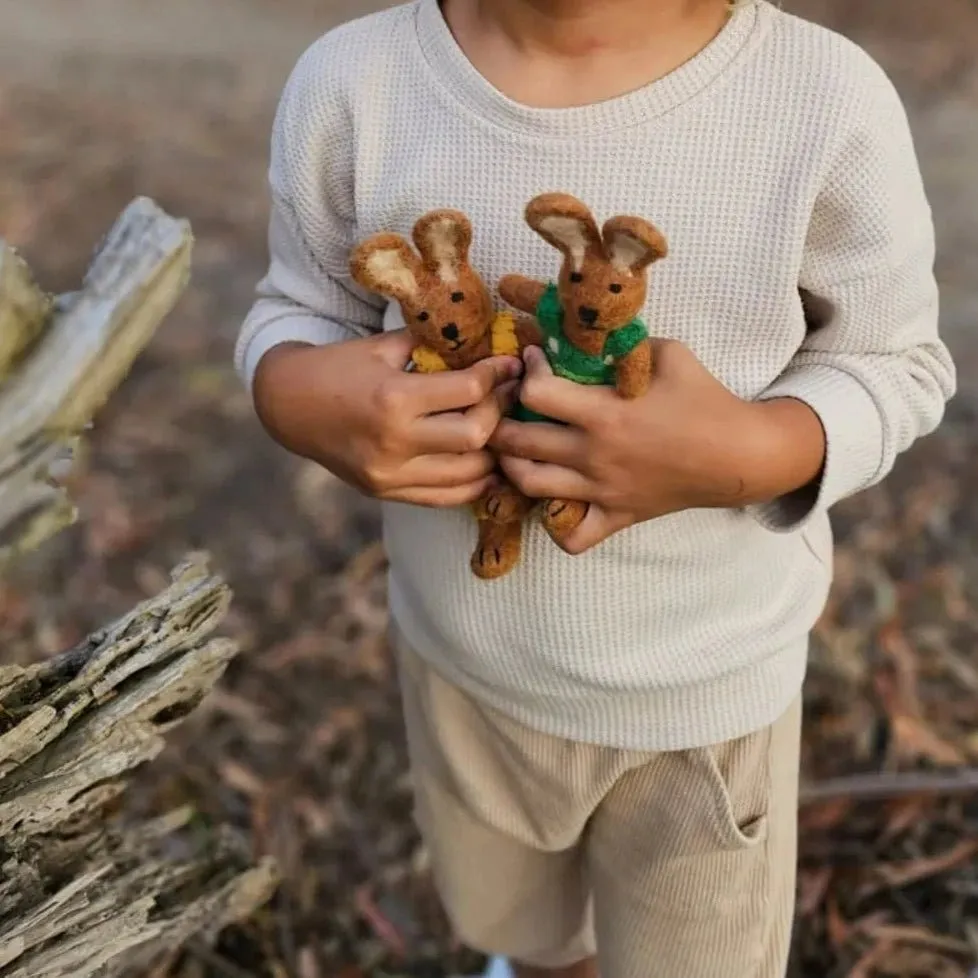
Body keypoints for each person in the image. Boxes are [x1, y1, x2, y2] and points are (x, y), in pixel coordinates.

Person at [236, 0, 956, 975]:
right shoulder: (355, 83)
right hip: (460, 665)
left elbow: (895, 361)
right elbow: (300, 303)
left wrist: (754, 451)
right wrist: (291, 391)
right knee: (518, 931)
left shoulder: (821, 100)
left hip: (702, 702)